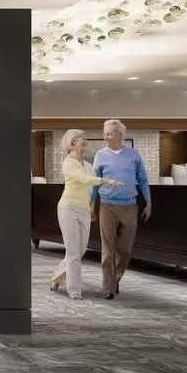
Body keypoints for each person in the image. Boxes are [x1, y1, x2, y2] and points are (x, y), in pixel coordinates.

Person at [48, 130, 121, 299]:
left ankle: (56, 278)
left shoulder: (88, 165)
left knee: (79, 251)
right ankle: (74, 290)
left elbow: (93, 186)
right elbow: (84, 179)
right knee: (73, 251)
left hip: (84, 210)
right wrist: (105, 180)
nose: (86, 141)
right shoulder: (68, 163)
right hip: (68, 208)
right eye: (83, 139)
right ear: (73, 143)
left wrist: (94, 206)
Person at [91, 119, 152, 300]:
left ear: (120, 135)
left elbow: (143, 180)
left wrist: (149, 202)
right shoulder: (100, 155)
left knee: (125, 249)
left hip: (129, 206)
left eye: (109, 133)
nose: (105, 137)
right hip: (106, 206)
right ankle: (108, 287)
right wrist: (92, 205)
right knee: (107, 249)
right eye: (105, 134)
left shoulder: (133, 155)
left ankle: (116, 277)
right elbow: (95, 182)